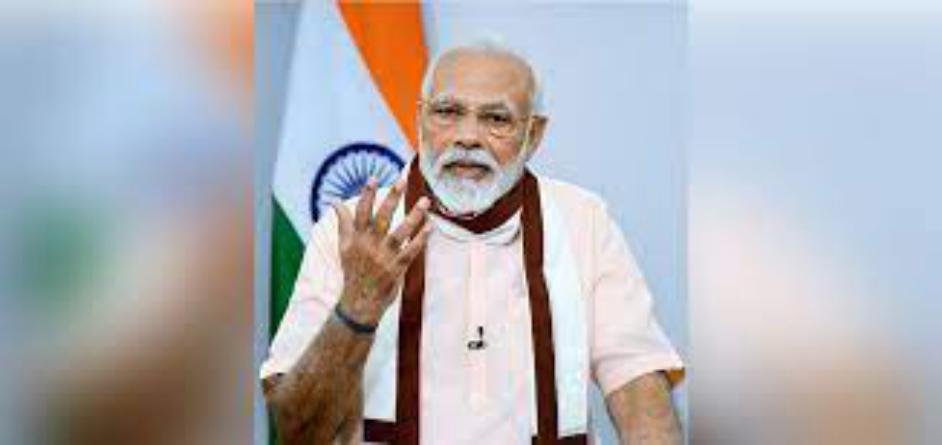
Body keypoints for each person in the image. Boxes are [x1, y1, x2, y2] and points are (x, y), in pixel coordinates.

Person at [261, 39, 685, 445]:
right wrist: (358, 304)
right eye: (448, 112)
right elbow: (298, 430)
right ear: (420, 119)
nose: (467, 137)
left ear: (534, 134)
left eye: (496, 119)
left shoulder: (582, 219)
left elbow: (638, 388)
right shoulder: (353, 231)